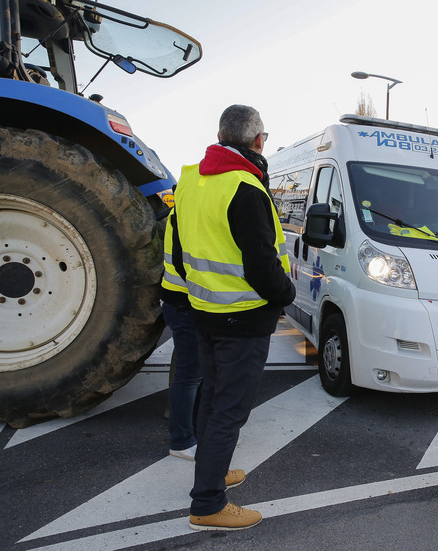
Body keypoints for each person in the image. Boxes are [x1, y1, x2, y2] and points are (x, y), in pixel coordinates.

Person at [171, 105, 296, 531]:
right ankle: (207, 504)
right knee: (229, 408)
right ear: (258, 141)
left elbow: (177, 249)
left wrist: (197, 292)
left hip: (204, 310)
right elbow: (263, 266)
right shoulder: (245, 189)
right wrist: (287, 294)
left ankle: (212, 469)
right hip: (243, 319)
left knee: (212, 399)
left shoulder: (193, 181)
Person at [162, 206, 201, 461]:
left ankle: (192, 433)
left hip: (179, 300)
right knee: (189, 376)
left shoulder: (181, 207)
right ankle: (182, 441)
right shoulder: (191, 209)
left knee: (194, 374)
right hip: (186, 302)